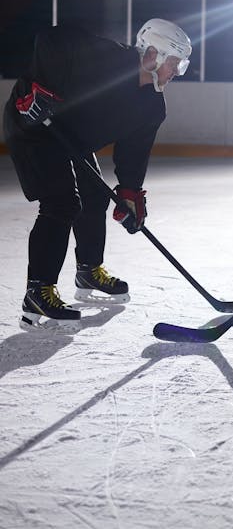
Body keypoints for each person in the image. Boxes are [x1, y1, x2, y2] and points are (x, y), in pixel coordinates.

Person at [3, 18, 192, 331]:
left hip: (71, 135)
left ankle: (88, 269)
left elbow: (133, 153)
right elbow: (49, 39)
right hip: (33, 125)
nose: (176, 72)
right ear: (152, 55)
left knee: (94, 195)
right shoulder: (106, 57)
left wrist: (130, 194)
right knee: (61, 203)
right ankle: (38, 291)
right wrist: (36, 91)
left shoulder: (152, 107)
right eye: (175, 63)